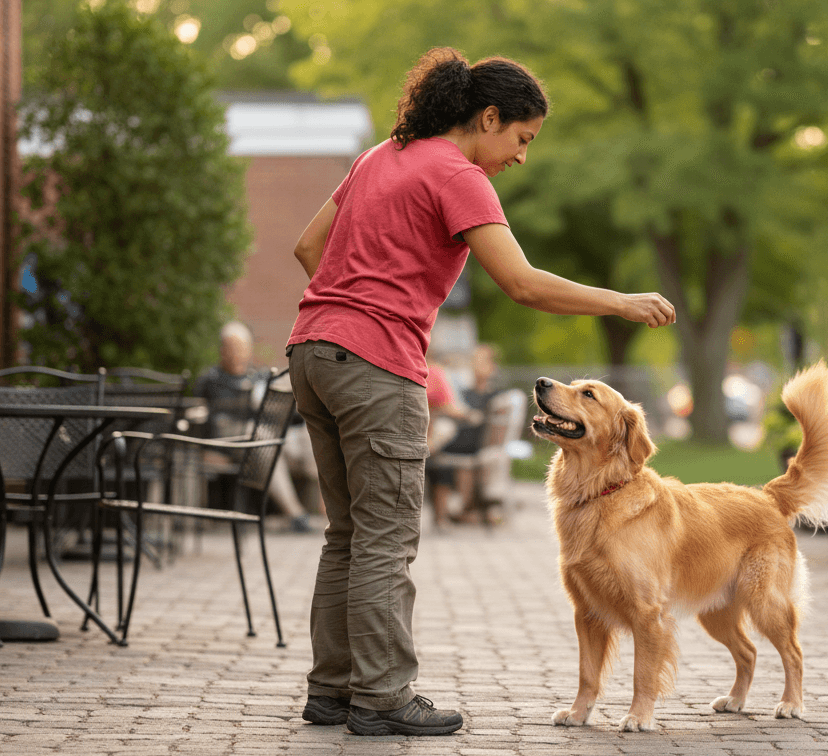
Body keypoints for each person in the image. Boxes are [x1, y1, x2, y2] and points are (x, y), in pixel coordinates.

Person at [286, 47, 674, 737]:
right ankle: (381, 698)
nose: (522, 156)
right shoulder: (456, 174)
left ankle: (333, 689)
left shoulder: (381, 155)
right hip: (375, 365)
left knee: (347, 532)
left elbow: (308, 247)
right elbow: (522, 283)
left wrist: (353, 301)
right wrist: (619, 302)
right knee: (385, 539)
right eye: (521, 139)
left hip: (312, 350)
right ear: (488, 117)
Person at [195, 321, 315, 533]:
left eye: (241, 348)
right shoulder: (210, 380)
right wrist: (204, 447)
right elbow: (197, 417)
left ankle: (332, 510)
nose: (236, 354)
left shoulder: (259, 378)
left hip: (266, 443)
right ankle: (296, 514)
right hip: (229, 446)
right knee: (261, 437)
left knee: (307, 435)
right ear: (222, 350)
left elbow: (288, 418)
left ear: (249, 349)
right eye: (231, 348)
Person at [428, 344, 501, 526]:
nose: (475, 366)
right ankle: (446, 515)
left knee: (438, 453)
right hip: (462, 441)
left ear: (493, 367)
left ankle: (445, 515)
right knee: (439, 452)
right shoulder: (465, 393)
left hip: (473, 444)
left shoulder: (494, 396)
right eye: (474, 361)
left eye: (481, 362)